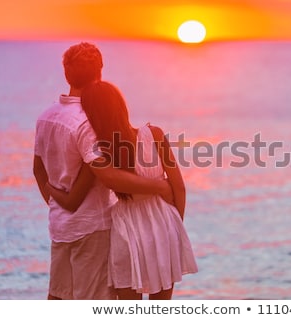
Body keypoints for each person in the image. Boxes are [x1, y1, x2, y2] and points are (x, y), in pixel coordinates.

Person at [33, 42, 173, 300]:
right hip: (93, 229)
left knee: (59, 299)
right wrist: (158, 186)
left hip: (60, 227)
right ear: (100, 71)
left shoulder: (47, 116)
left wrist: (56, 202)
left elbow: (38, 169)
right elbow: (106, 174)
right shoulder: (89, 120)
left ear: (66, 73)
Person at [46, 81, 198, 300]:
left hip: (126, 228)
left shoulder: (102, 151)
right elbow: (179, 188)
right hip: (163, 223)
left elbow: (75, 196)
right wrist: (175, 225)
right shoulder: (154, 134)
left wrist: (50, 187)